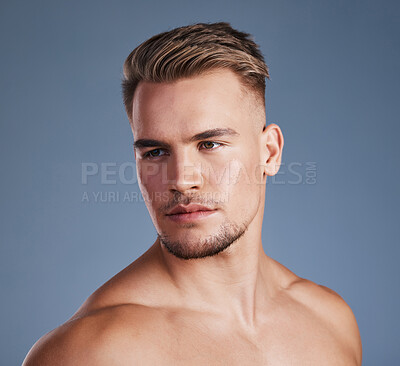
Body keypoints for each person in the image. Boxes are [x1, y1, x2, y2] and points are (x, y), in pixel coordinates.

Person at [23, 22, 362, 365]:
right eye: (155, 152)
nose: (182, 181)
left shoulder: (330, 321)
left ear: (269, 153)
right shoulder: (91, 352)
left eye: (209, 144)